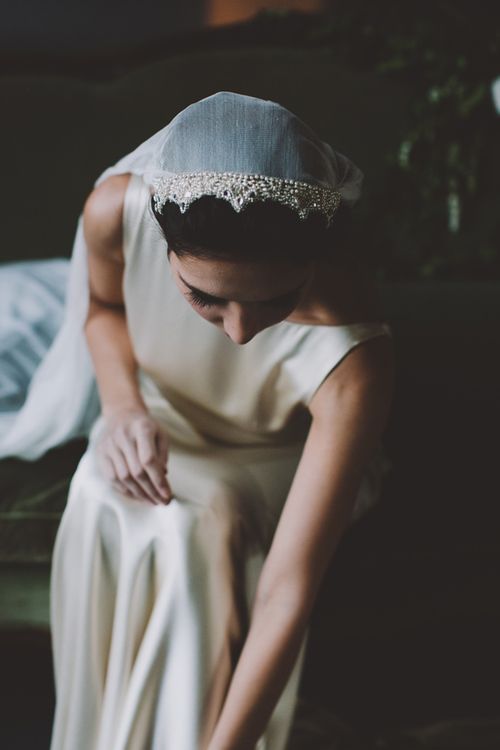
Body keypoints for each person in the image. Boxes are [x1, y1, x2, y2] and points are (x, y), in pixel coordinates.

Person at [2, 91, 395, 749]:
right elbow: (101, 307)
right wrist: (123, 408)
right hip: (156, 416)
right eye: (205, 299)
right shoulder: (113, 211)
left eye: (277, 299)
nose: (240, 333)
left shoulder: (357, 358)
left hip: (265, 456)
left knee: (194, 528)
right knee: (103, 493)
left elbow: (287, 591)